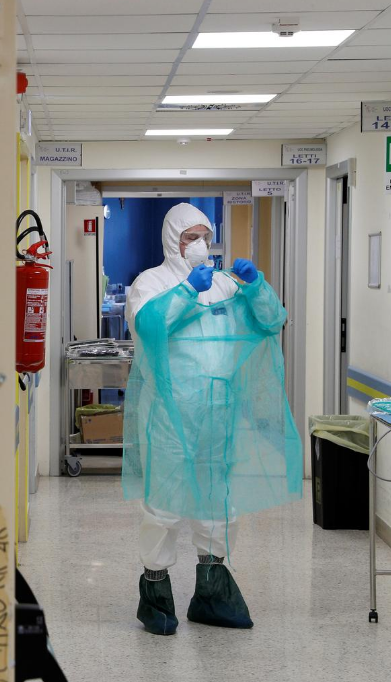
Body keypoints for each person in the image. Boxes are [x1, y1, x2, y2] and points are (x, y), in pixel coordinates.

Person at [122, 203, 301, 636]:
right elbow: (148, 327)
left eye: (204, 235)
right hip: (169, 415)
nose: (199, 245)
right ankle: (156, 596)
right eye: (189, 238)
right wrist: (185, 292)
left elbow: (272, 319)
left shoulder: (223, 284)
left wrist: (257, 286)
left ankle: (213, 595)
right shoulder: (151, 283)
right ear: (172, 241)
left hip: (219, 414)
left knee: (219, 504)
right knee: (164, 506)